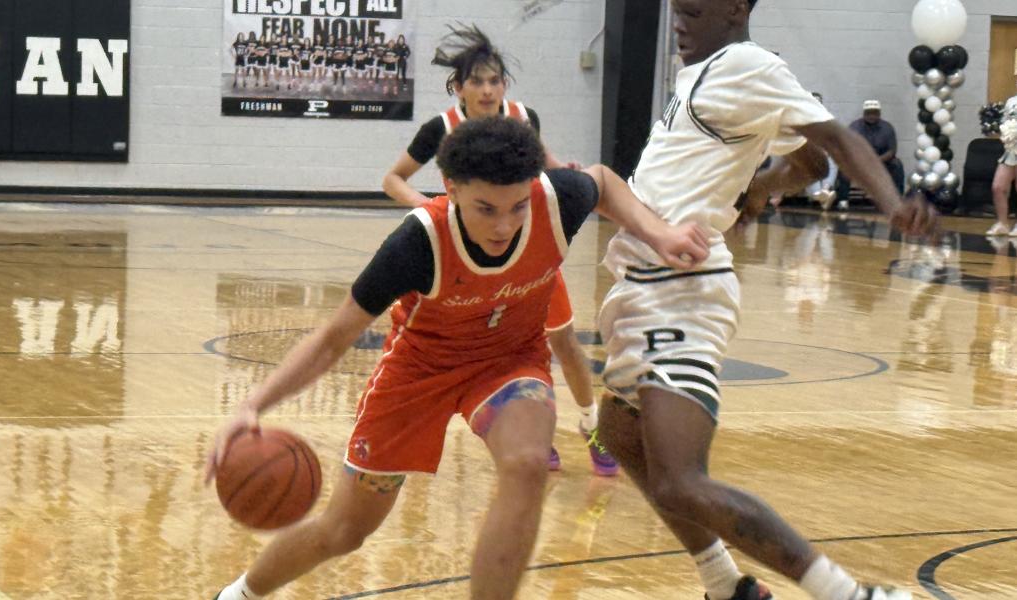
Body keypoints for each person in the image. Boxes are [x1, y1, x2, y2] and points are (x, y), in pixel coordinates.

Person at [206, 117, 711, 600]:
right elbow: (333, 338)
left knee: (528, 463)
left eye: (517, 206)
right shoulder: (416, 243)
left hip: (507, 363)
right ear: (449, 187)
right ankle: (237, 594)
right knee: (343, 531)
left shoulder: (556, 201)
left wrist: (658, 232)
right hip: (417, 374)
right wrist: (253, 405)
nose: (505, 224)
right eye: (485, 208)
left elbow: (601, 180)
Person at [595, 2, 939, 600]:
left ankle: (854, 597)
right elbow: (809, 160)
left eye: (694, 10)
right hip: (643, 287)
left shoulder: (747, 64)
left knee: (680, 480)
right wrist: (760, 188)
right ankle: (726, 585)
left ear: (734, 7)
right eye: (677, 10)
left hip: (680, 292)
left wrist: (892, 203)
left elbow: (834, 137)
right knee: (620, 433)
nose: (679, 20)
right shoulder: (715, 72)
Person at [381, 24, 618, 476]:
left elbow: (546, 170)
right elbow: (392, 179)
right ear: (459, 88)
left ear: (504, 85)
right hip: (466, 260)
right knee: (500, 350)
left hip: (529, 249)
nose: (487, 90)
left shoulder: (523, 118)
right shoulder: (441, 129)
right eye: (477, 81)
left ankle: (592, 426)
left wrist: (564, 171)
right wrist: (430, 206)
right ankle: (529, 434)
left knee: (563, 341)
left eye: (495, 81)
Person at [835, 100, 905, 205]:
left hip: (881, 162)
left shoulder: (887, 128)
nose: (871, 115)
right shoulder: (854, 127)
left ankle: (897, 200)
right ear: (864, 113)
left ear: (879, 113)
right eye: (869, 113)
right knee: (844, 167)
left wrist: (876, 161)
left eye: (874, 112)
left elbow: (892, 151)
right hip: (859, 162)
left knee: (897, 164)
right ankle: (842, 200)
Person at [985, 88, 1017, 236]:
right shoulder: (1011, 101)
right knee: (998, 187)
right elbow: (1005, 124)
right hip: (1011, 151)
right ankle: (1002, 223)